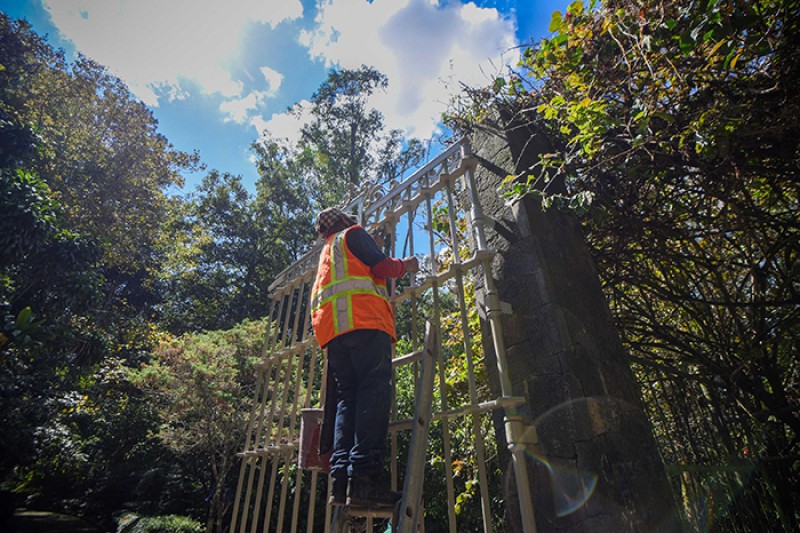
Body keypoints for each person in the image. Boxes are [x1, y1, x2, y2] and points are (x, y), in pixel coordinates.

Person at [310, 207, 418, 508]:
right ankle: (365, 479)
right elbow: (382, 268)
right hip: (364, 322)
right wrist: (407, 264)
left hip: (334, 332)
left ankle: (341, 482)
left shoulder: (328, 251)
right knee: (374, 391)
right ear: (346, 221)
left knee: (348, 398)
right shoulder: (354, 235)